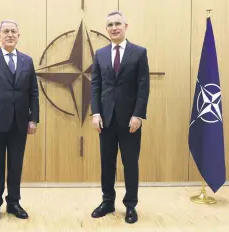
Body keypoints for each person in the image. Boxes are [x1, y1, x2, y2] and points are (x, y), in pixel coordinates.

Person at [0, 20, 39, 223]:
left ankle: (13, 203)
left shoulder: (27, 61)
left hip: (20, 123)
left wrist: (33, 119)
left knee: (16, 165)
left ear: (18, 35)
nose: (10, 34)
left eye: (13, 31)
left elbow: (33, 93)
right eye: (6, 31)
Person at [90, 11, 150, 224]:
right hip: (105, 120)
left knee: (130, 163)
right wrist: (95, 113)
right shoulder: (100, 54)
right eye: (110, 25)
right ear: (106, 29)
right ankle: (107, 202)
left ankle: (131, 205)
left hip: (130, 120)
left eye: (117, 24)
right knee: (107, 162)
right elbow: (95, 85)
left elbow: (143, 87)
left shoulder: (139, 52)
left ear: (126, 26)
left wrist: (138, 115)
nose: (114, 28)